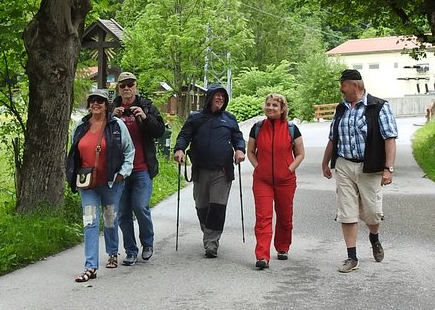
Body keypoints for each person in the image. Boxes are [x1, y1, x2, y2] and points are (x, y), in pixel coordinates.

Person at [320, 69, 398, 273]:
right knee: (347, 212)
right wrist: (325, 162)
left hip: (369, 166)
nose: (340, 89)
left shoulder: (379, 106)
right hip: (344, 165)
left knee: (372, 213)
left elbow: (389, 137)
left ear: (355, 85)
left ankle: (374, 238)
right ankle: (351, 256)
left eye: (343, 85)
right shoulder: (341, 109)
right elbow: (332, 137)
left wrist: (388, 168)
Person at [66, 88, 134, 283]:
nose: (96, 104)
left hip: (111, 182)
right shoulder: (80, 126)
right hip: (87, 184)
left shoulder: (116, 125)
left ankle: (113, 252)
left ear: (107, 105)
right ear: (89, 104)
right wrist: (72, 173)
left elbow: (130, 151)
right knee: (90, 221)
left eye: (100, 101)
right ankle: (91, 267)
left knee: (110, 218)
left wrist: (123, 173)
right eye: (93, 100)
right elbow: (74, 153)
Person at [172, 83, 246, 258]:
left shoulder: (229, 119)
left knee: (217, 207)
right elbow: (184, 135)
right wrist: (179, 149)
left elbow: (238, 137)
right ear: (209, 98)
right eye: (216, 95)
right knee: (202, 206)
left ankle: (211, 243)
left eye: (223, 96)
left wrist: (240, 150)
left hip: (222, 170)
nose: (220, 98)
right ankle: (209, 232)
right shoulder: (195, 117)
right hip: (200, 169)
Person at [112, 71, 166, 266]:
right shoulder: (112, 107)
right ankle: (130, 250)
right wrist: (111, 117)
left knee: (140, 206)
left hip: (142, 167)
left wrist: (145, 117)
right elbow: (97, 130)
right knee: (123, 212)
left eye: (130, 84)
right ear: (118, 88)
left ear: (136, 86)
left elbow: (160, 131)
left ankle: (147, 243)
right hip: (119, 171)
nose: (127, 88)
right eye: (122, 85)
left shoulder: (146, 105)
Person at [246, 92, 305, 269]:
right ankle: (262, 256)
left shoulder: (291, 128)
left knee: (285, 217)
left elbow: (300, 154)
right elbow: (250, 151)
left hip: (285, 180)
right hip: (262, 181)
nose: (271, 108)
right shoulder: (257, 127)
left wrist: (289, 169)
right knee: (263, 217)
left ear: (282, 109)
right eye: (268, 104)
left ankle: (282, 247)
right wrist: (258, 167)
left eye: (275, 105)